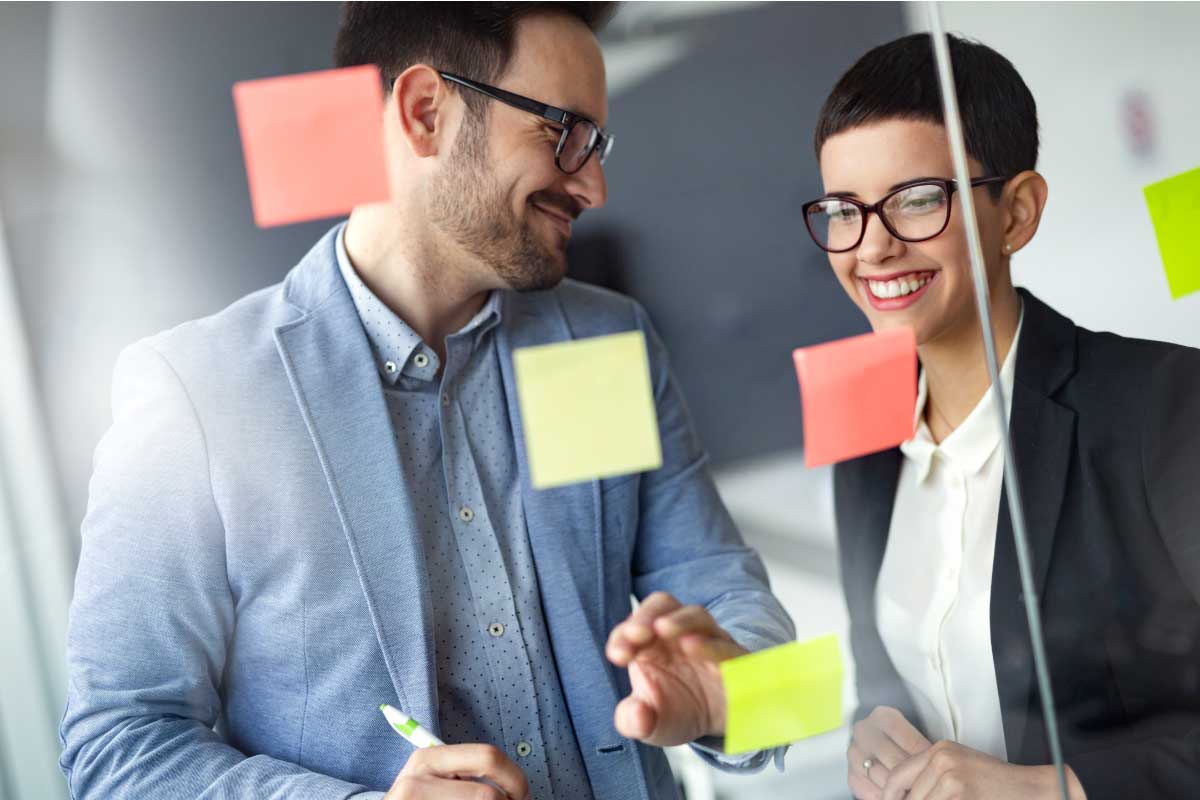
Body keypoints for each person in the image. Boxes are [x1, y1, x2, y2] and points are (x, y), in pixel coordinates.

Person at [59, 4, 794, 799]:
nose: (594, 183)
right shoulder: (196, 394)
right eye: (564, 133)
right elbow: (118, 745)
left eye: (598, 143)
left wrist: (740, 696)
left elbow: (729, 601)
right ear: (424, 113)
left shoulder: (604, 340)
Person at [801, 32, 1200, 800]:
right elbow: (888, 668)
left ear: (1016, 212)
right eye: (842, 211)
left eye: (917, 200)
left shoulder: (1164, 405)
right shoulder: (864, 428)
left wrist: (1055, 788)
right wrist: (872, 732)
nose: (872, 248)